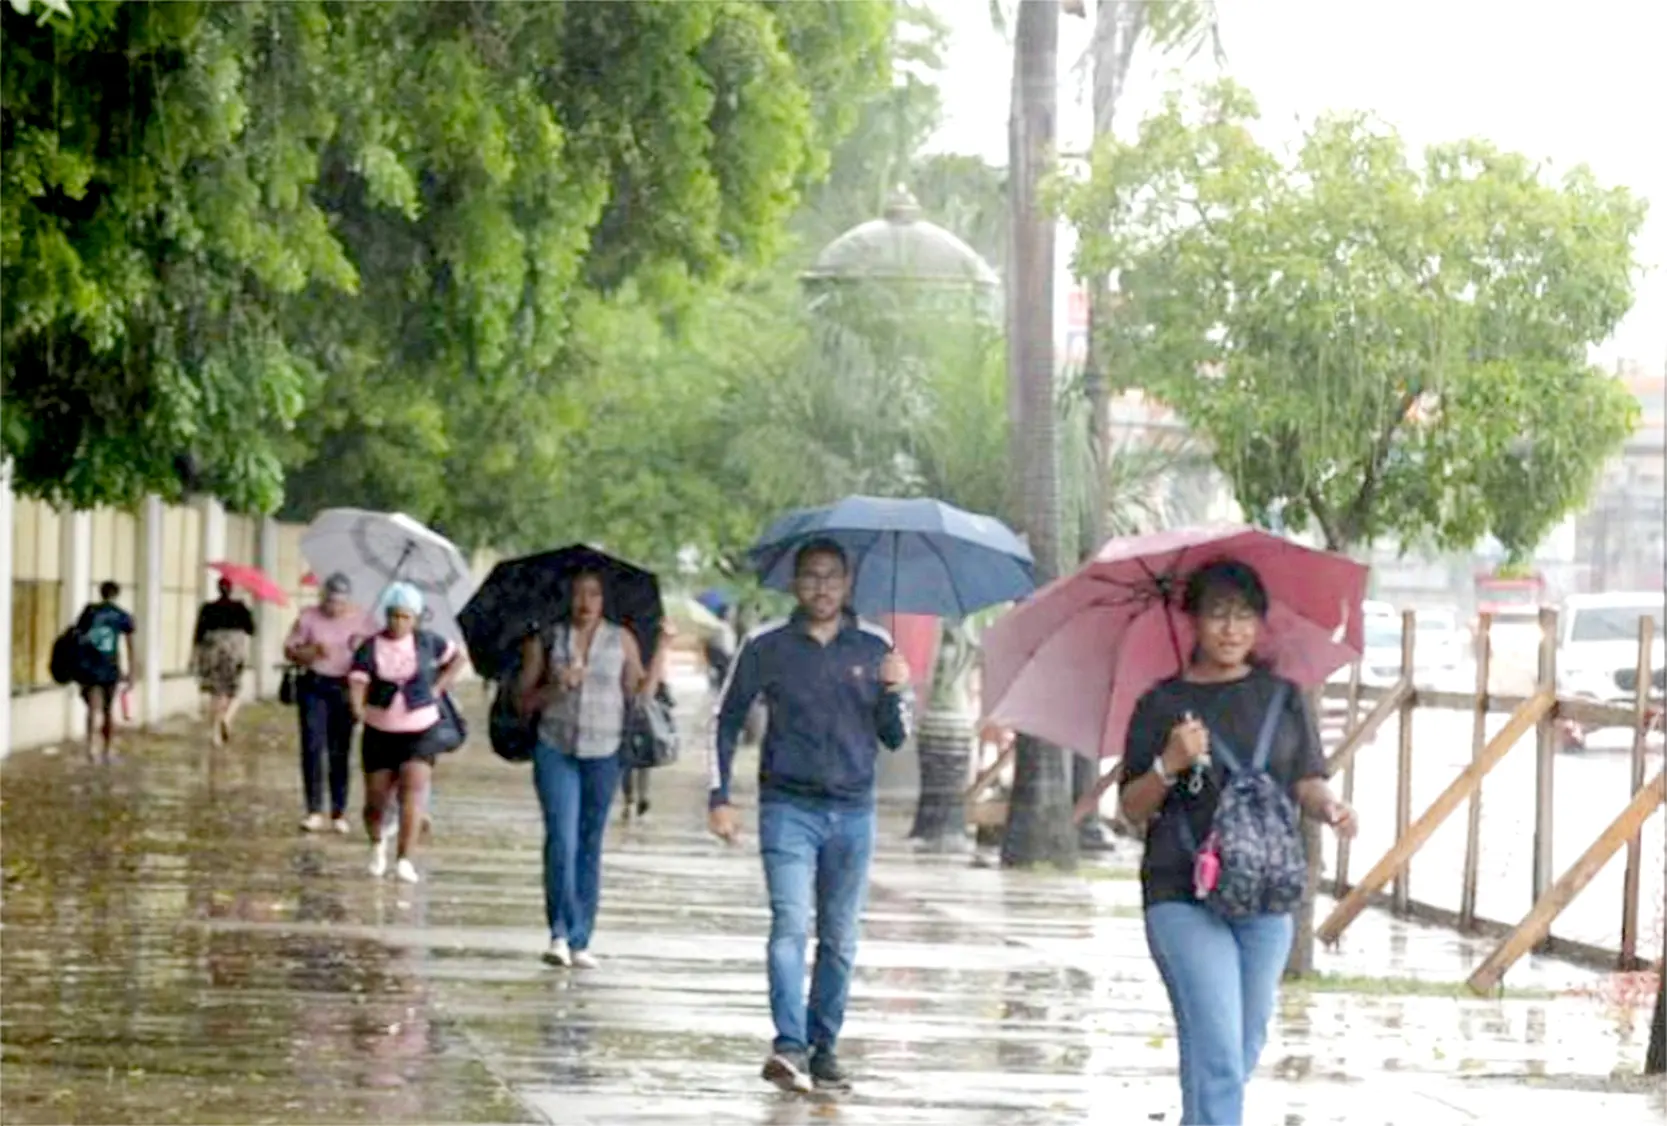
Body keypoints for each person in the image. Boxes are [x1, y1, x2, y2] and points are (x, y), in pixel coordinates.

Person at [1118, 559, 1359, 1126]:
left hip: (1266, 895)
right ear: (1194, 622)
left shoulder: (1283, 696)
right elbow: (1132, 808)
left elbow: (1305, 777)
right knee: (1221, 1054)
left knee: (1236, 1048)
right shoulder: (1161, 705)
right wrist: (1169, 762)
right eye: (1218, 615)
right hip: (1182, 892)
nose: (1231, 629)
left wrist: (1330, 807)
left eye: (1244, 616)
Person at [708, 539, 912, 1093]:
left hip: (852, 812)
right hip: (787, 808)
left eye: (832, 577)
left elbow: (894, 737)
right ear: (795, 584)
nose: (821, 587)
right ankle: (789, 1044)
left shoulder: (876, 647)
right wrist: (718, 796)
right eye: (811, 576)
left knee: (841, 938)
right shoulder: (767, 646)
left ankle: (824, 1047)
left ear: (848, 585)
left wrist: (895, 690)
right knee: (790, 924)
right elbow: (724, 721)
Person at [517, 569, 666, 969]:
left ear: (604, 600)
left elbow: (640, 696)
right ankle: (559, 933)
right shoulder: (548, 638)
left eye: (594, 594)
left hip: (605, 751)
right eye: (578, 593)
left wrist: (662, 650)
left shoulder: (621, 639)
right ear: (566, 597)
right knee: (561, 839)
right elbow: (523, 702)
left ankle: (582, 937)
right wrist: (557, 684)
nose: (585, 602)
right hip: (556, 748)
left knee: (589, 843)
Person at [347, 582, 466, 884]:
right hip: (380, 730)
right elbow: (358, 681)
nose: (399, 622)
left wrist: (439, 686)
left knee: (412, 791)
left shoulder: (428, 643)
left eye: (406, 616)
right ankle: (377, 843)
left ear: (415, 618)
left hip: (420, 728)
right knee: (376, 799)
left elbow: (457, 657)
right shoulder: (369, 646)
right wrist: (358, 708)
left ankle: (405, 859)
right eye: (394, 615)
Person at [284, 573, 370, 834]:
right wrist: (311, 651)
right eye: (330, 601)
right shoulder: (308, 616)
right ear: (323, 597)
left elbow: (375, 653)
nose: (335, 607)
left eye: (340, 602)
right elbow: (289, 650)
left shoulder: (363, 620)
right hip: (315, 685)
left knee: (340, 750)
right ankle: (313, 809)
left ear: (348, 601)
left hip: (345, 687)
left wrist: (362, 646)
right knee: (312, 745)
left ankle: (338, 810)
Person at [73, 580, 135, 763]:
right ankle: (107, 750)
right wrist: (131, 672)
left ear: (101, 593)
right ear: (116, 595)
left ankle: (91, 748)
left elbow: (77, 637)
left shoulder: (89, 612)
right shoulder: (122, 616)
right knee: (108, 710)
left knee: (93, 708)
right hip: (110, 668)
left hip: (90, 667)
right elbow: (131, 645)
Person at [193, 578, 256, 745]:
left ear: (217, 589)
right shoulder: (240, 607)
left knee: (215, 692)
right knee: (234, 690)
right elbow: (252, 629)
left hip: (211, 649)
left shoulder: (207, 608)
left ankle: (214, 734)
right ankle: (227, 718)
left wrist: (193, 658)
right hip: (233, 650)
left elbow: (198, 634)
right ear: (231, 589)